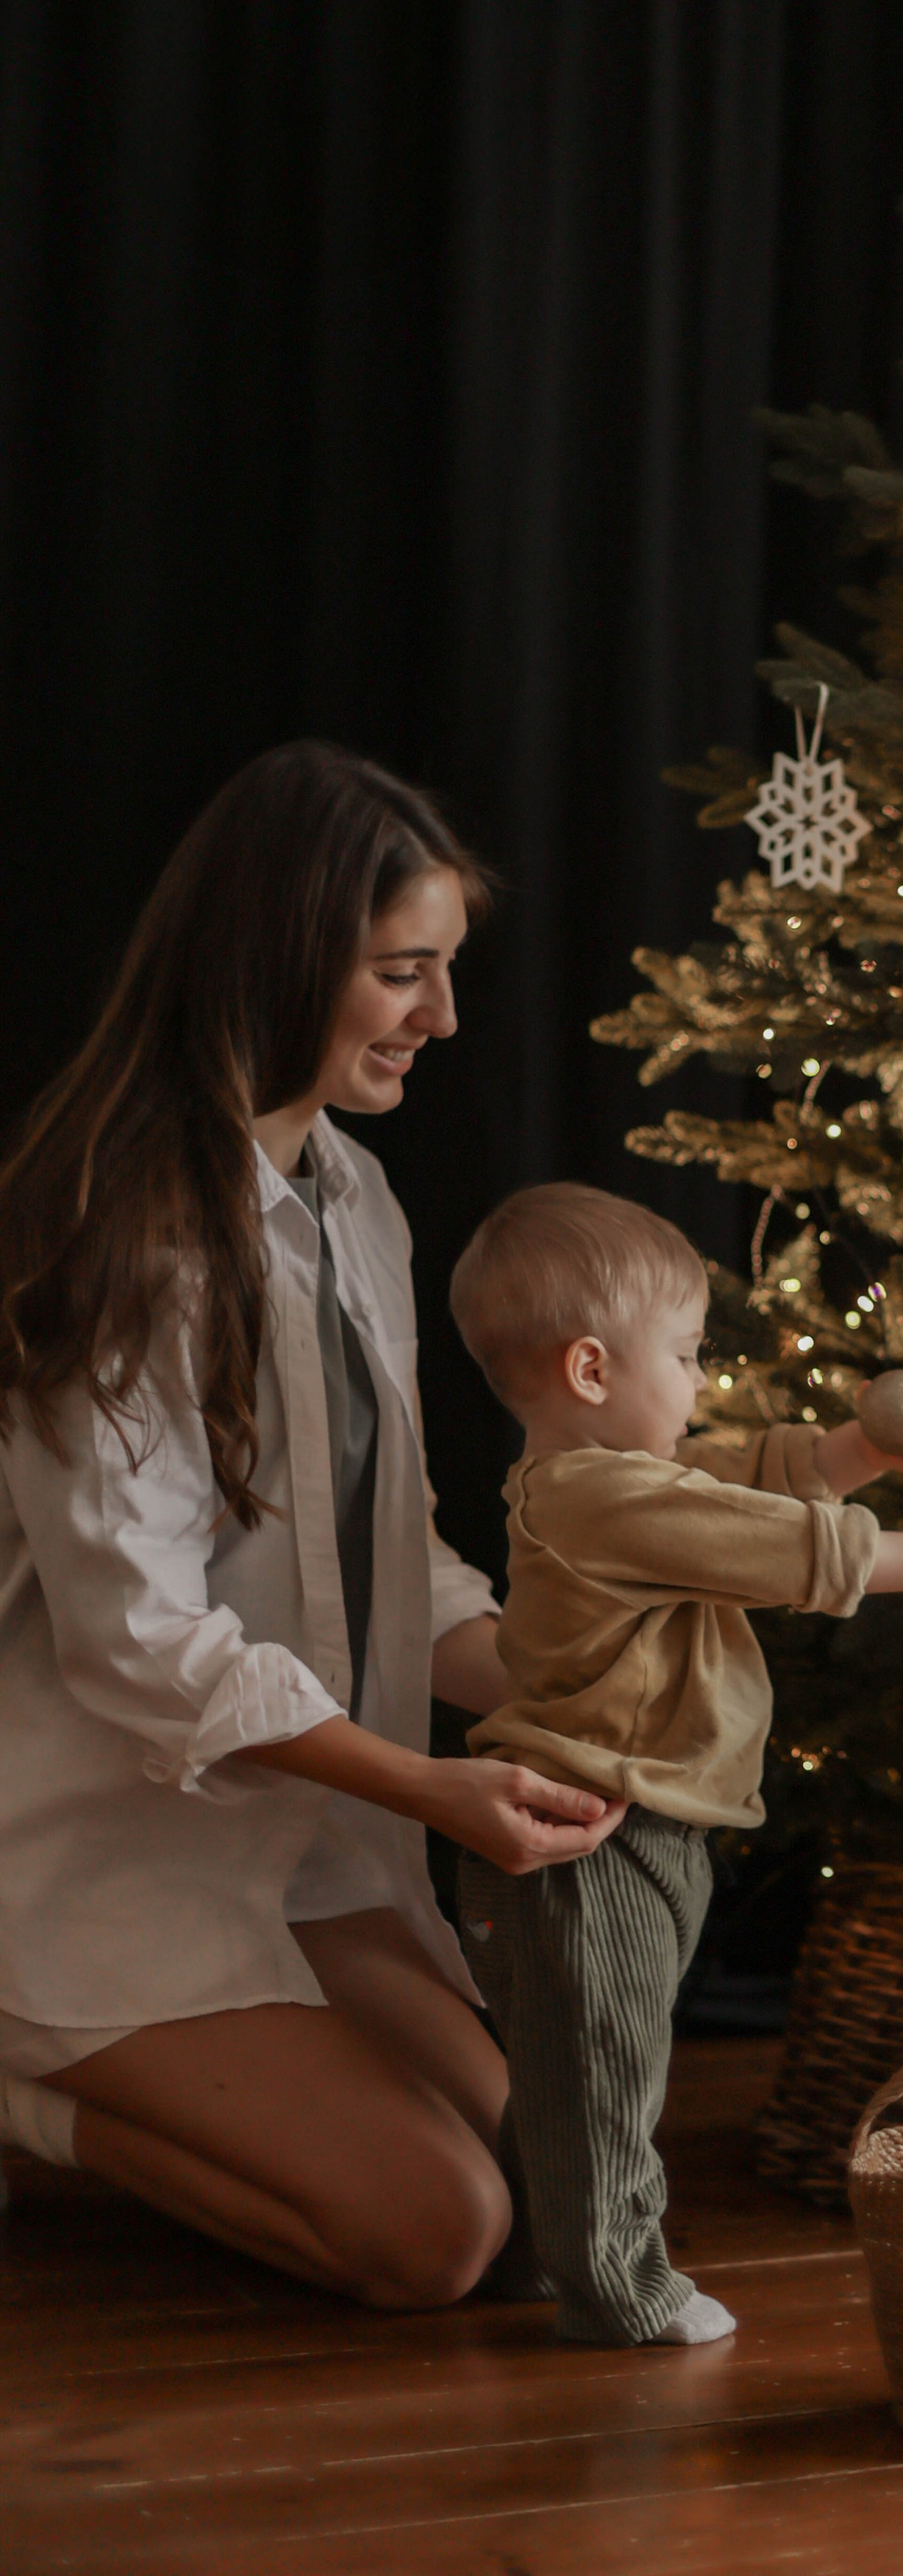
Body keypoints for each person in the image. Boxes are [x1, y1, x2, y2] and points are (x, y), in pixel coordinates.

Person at [0, 743, 627, 2303]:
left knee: (559, 2207)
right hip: (101, 1844)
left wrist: (597, 1690)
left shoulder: (352, 1198)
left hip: (298, 1838)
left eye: (446, 971)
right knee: (437, 2237)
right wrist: (430, 1784)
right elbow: (139, 1642)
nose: (442, 1018)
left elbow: (396, 1555)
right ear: (279, 957)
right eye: (403, 973)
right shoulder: (119, 1221)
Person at [446, 1181, 903, 2346]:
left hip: (635, 1825)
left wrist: (859, 1447)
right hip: (588, 1837)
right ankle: (622, 2290)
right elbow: (784, 1543)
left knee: (578, 2063)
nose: (704, 1378)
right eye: (689, 1354)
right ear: (594, 1373)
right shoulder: (601, 1498)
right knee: (604, 2074)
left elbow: (754, 1476)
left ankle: (533, 2256)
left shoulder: (621, 1482)